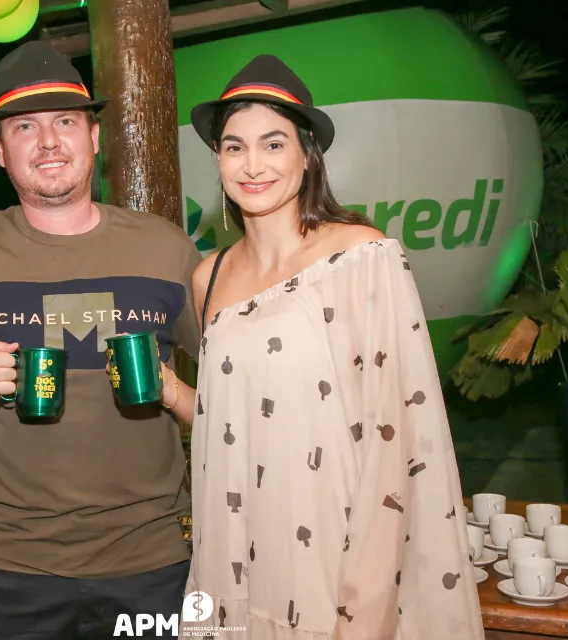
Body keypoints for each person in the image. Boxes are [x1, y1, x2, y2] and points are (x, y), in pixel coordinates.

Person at [0, 41, 202, 639]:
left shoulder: (165, 248)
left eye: (65, 122)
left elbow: (239, 392)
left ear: (93, 137)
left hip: (155, 564)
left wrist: (177, 392)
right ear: (0, 150)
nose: (48, 142)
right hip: (12, 571)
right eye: (25, 126)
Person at [162, 55, 486, 639]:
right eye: (234, 147)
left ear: (308, 154)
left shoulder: (360, 257)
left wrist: (367, 596)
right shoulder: (208, 278)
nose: (252, 165)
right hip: (234, 559)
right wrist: (168, 389)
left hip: (330, 559)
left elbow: (397, 436)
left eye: (273, 144)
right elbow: (226, 425)